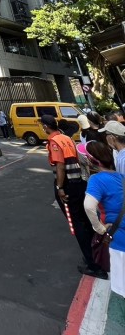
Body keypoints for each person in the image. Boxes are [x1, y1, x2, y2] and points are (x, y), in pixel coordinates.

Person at [41, 114, 107, 279]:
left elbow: (60, 166)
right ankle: (97, 257)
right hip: (79, 183)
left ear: (45, 126)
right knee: (86, 221)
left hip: (68, 186)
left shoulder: (54, 142)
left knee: (77, 225)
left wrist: (60, 187)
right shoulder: (66, 138)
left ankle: (93, 265)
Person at [84, 140, 125, 298]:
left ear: (91, 160)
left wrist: (100, 228)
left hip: (118, 241)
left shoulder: (97, 179)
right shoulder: (121, 177)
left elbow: (89, 206)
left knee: (121, 287)